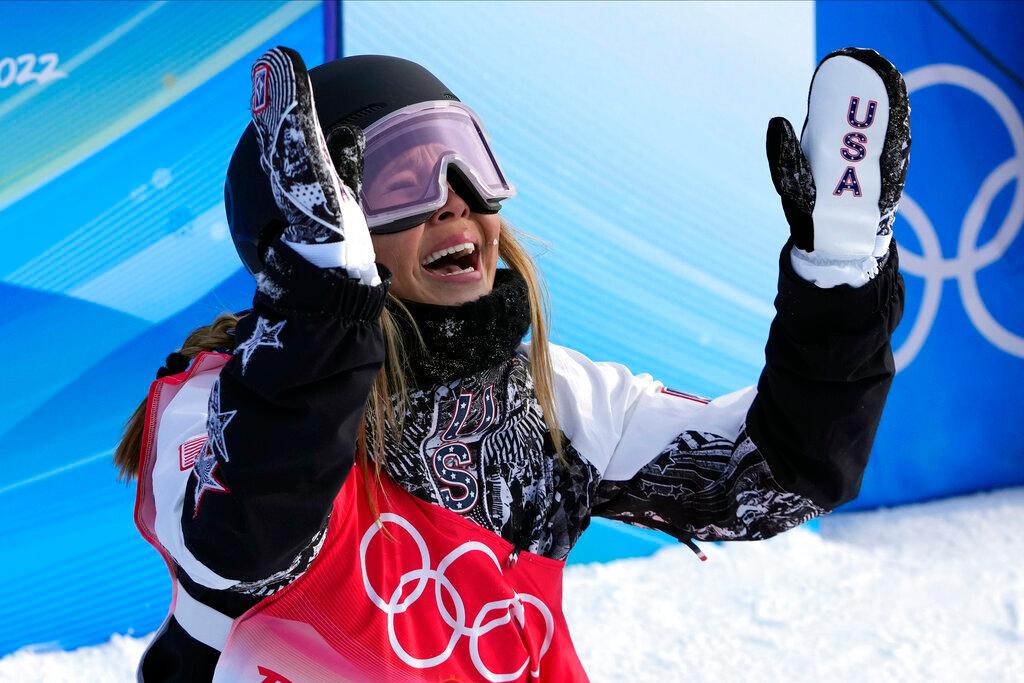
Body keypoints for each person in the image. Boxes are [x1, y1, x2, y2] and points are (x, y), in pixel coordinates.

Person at [116, 45, 908, 682]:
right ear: (305, 230)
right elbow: (242, 547)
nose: (454, 199)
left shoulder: (550, 395)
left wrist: (837, 285)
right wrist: (323, 313)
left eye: (464, 164)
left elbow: (774, 479)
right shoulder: (216, 403)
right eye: (400, 179)